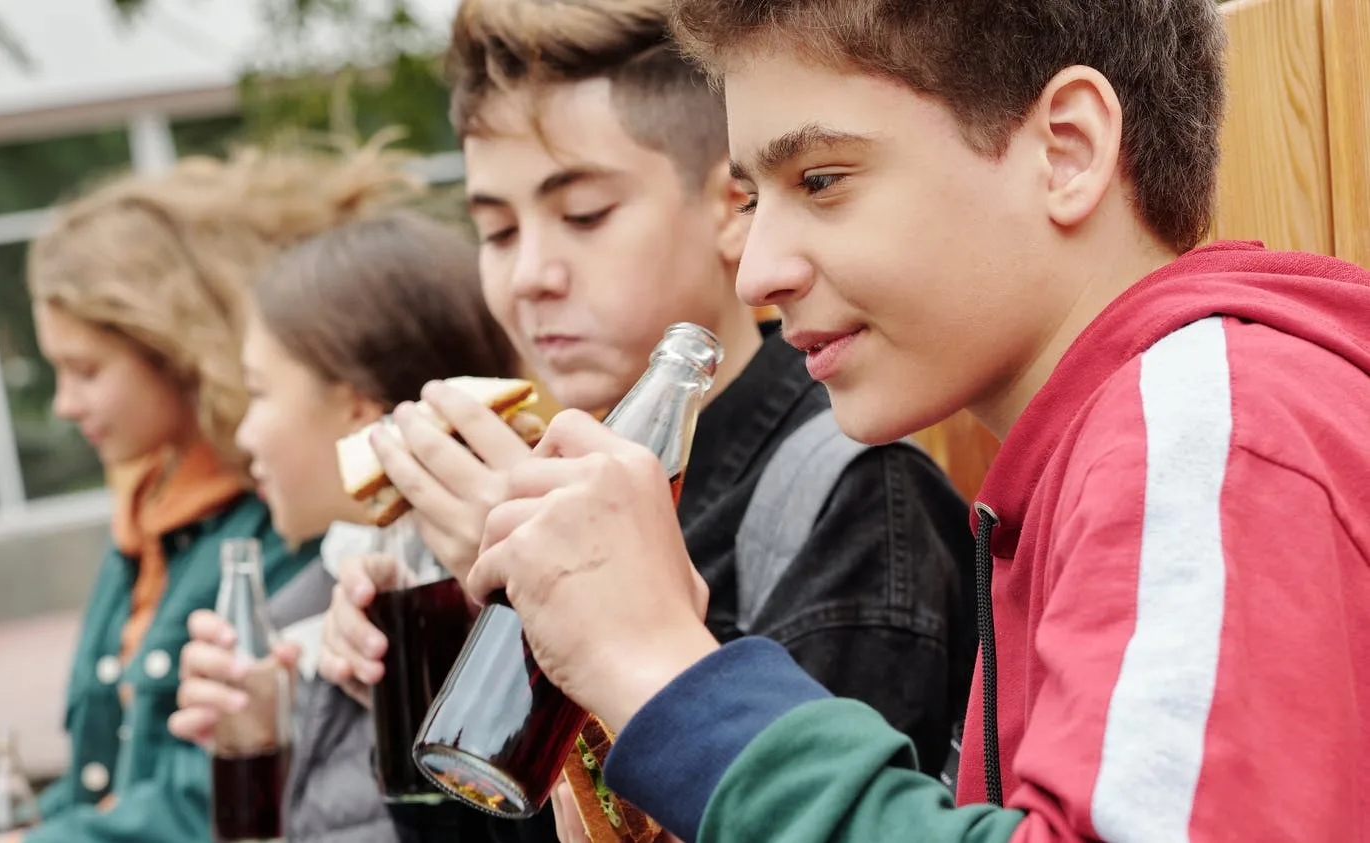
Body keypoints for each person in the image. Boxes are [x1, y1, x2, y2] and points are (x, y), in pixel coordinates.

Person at [465, 0, 1370, 840]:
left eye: (820, 179)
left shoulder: (1209, 433)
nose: (757, 272)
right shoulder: (1129, 443)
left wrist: (665, 670)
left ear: (1067, 150)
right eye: (753, 198)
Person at [319, 0, 977, 837]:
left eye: (584, 214)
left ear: (733, 208)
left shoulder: (854, 501)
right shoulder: (544, 474)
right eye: (493, 229)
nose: (530, 275)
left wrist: (561, 608)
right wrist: (438, 645)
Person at [0, 143, 414, 843]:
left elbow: (224, 797)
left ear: (173, 346)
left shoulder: (292, 515)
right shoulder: (147, 519)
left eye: (85, 370)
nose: (65, 404)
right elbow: (112, 777)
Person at [168, 206, 529, 843]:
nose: (243, 434)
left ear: (358, 408)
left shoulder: (471, 606)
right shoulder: (317, 601)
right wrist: (264, 740)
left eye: (258, 392)